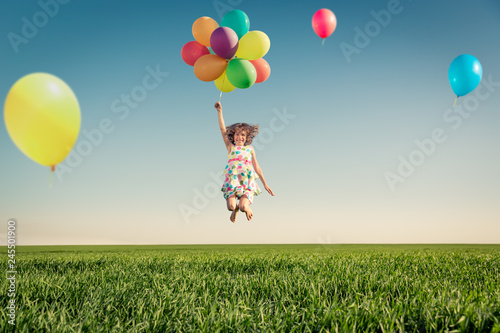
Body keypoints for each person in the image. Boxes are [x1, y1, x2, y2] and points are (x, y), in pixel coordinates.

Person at [215, 101, 274, 222]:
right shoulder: (231, 147)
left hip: (246, 182)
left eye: (243, 135)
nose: (239, 137)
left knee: (243, 207)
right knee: (231, 207)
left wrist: (265, 184)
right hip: (233, 181)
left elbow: (257, 167)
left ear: (246, 138)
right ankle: (235, 210)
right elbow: (222, 130)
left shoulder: (250, 149)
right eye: (237, 134)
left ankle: (246, 209)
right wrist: (219, 111)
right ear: (233, 135)